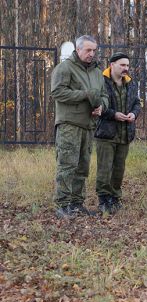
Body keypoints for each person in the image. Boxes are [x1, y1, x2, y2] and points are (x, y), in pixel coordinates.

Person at [51, 35, 108, 219]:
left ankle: (76, 203)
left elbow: (104, 95)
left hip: (88, 126)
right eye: (88, 50)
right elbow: (57, 92)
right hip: (69, 125)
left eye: (94, 50)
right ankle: (63, 205)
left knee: (83, 167)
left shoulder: (97, 72)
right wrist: (84, 95)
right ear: (78, 49)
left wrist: (102, 107)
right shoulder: (65, 68)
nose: (92, 54)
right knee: (67, 165)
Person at [94, 52, 142, 214]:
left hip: (125, 133)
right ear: (112, 65)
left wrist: (134, 114)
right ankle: (103, 199)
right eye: (122, 65)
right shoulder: (101, 82)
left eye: (127, 65)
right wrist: (113, 114)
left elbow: (137, 103)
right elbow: (97, 105)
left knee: (119, 168)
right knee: (104, 168)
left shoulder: (130, 83)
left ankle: (115, 197)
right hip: (106, 133)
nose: (125, 68)